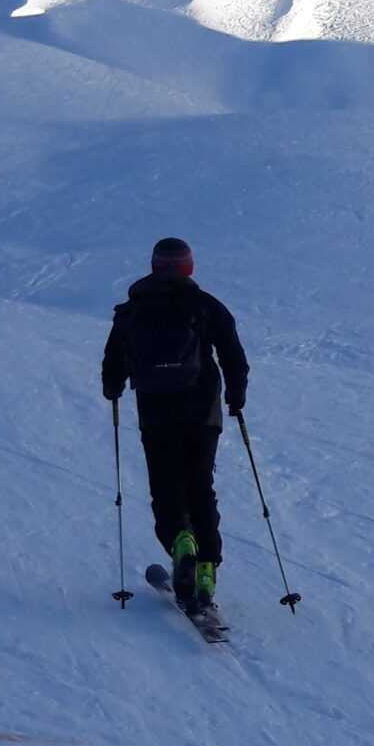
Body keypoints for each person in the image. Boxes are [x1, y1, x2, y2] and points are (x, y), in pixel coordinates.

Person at [101, 237, 249, 613]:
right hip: (202, 409)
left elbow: (112, 359)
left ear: (154, 266)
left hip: (156, 408)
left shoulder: (133, 308)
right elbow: (233, 353)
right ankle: (205, 570)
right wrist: (236, 395)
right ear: (189, 267)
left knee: (167, 485)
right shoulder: (205, 306)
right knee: (200, 484)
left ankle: (181, 540)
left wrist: (113, 388)